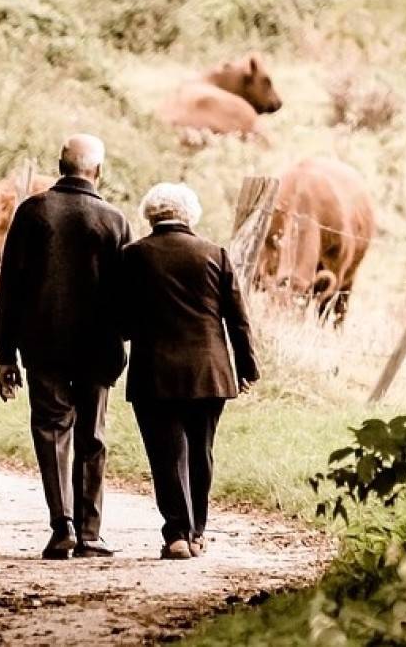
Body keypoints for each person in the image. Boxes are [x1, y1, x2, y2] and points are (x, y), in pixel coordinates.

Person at [0, 133, 131, 560]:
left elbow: (9, 289)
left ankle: (62, 527)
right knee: (92, 435)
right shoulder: (114, 220)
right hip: (98, 347)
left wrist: (5, 354)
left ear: (59, 165)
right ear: (99, 172)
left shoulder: (33, 213)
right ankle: (91, 533)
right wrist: (122, 337)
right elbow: (127, 293)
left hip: (43, 344)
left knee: (52, 432)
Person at [118, 183, 259, 560]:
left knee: (166, 454)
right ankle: (197, 532)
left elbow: (121, 319)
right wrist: (246, 367)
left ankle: (176, 534)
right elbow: (238, 319)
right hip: (209, 371)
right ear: (189, 214)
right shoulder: (215, 254)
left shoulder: (133, 256)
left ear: (150, 214)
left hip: (154, 372)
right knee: (201, 451)